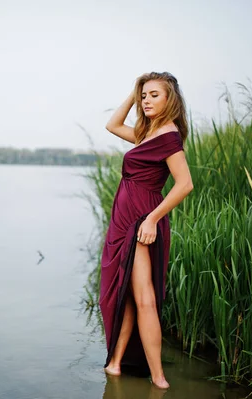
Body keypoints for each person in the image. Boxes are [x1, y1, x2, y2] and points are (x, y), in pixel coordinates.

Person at [99, 72, 194, 389]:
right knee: (126, 295)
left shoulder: (168, 136)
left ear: (170, 99)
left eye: (154, 94)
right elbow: (113, 125)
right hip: (125, 220)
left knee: (145, 300)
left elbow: (185, 185)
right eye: (144, 96)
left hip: (141, 222)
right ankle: (115, 364)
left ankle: (158, 379)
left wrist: (152, 220)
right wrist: (133, 92)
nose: (146, 100)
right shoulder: (148, 133)